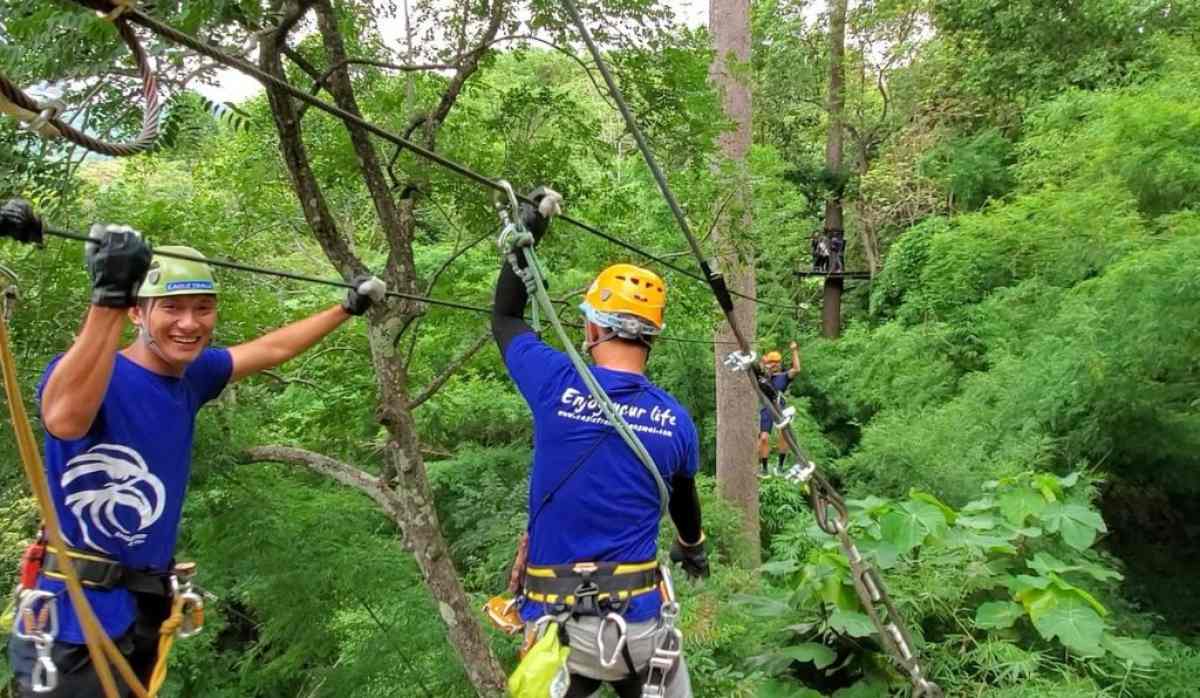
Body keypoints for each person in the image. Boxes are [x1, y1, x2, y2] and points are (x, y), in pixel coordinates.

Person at [5, 223, 384, 697]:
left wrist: (347, 308)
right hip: (76, 617)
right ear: (138, 314)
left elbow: (271, 349)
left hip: (141, 610)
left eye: (202, 309)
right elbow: (64, 419)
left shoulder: (193, 377)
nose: (189, 323)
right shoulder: (93, 372)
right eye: (172, 308)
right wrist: (107, 295)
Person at [492, 188, 707, 698]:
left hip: (556, 633)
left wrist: (529, 230)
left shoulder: (555, 382)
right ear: (651, 336)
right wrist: (692, 549)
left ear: (591, 326)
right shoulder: (675, 422)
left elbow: (506, 318)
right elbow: (683, 501)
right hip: (639, 630)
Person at [757, 341, 801, 475]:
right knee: (764, 438)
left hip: (780, 407)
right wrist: (763, 362)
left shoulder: (784, 376)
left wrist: (794, 351)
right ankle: (764, 467)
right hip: (766, 408)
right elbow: (756, 368)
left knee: (784, 435)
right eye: (772, 362)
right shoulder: (763, 376)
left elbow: (797, 369)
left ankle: (780, 465)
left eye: (776, 362)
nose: (774, 365)